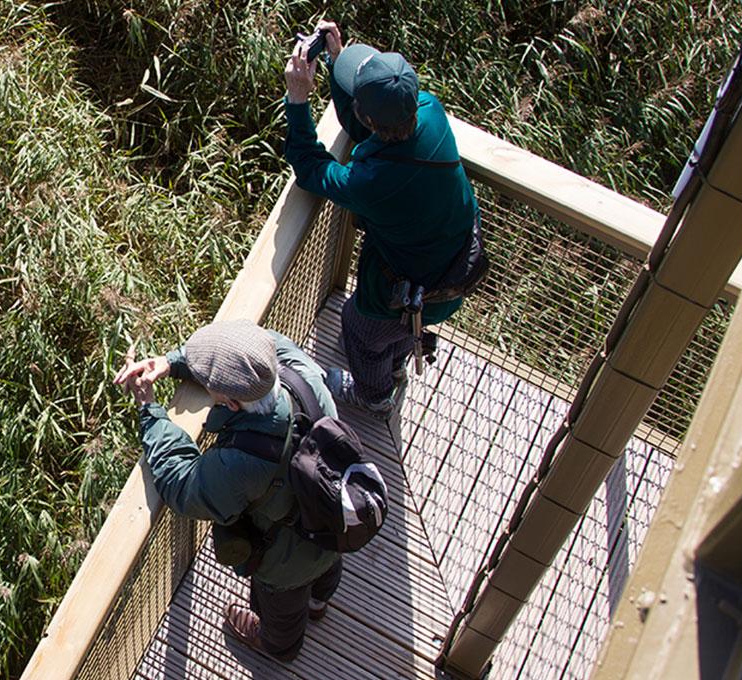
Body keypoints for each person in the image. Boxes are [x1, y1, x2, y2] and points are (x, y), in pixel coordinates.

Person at [113, 319, 342, 662]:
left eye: (210, 385)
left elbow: (184, 485)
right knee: (325, 566)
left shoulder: (243, 461)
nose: (207, 387)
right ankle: (319, 602)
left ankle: (278, 646)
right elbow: (264, 343)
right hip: (334, 516)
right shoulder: (302, 373)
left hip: (288, 559)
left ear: (232, 405)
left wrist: (149, 410)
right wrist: (173, 362)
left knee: (281, 608)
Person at [282, 21, 480, 415]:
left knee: (358, 328)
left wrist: (298, 99)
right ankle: (396, 360)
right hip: (456, 270)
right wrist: (341, 63)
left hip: (409, 292)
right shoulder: (430, 110)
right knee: (399, 333)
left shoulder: (371, 181)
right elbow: (367, 125)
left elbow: (309, 167)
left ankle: (374, 396)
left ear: (371, 120)